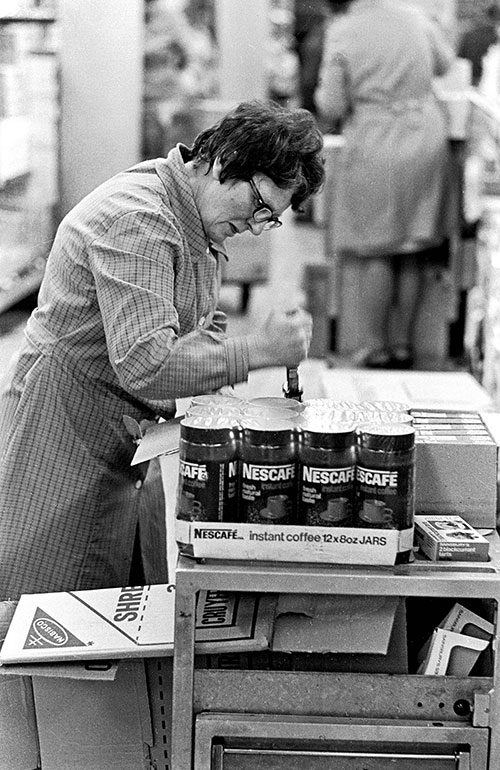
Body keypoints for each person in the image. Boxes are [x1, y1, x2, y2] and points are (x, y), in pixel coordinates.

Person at [0, 100, 325, 600]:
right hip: (63, 432)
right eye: (260, 207)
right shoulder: (138, 221)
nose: (259, 226)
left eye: (272, 219)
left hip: (128, 438)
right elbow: (146, 363)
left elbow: (191, 330)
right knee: (42, 618)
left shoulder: (195, 219)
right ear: (225, 160)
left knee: (109, 609)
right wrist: (257, 350)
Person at [314, 0, 454, 368]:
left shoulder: (344, 30)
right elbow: (445, 63)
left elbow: (331, 103)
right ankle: (404, 345)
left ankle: (375, 346)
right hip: (425, 134)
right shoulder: (414, 15)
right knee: (413, 244)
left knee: (376, 246)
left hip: (375, 139)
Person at [458, 3, 500, 87]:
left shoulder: (469, 34)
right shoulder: (495, 38)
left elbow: (460, 60)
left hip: (469, 83)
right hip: (488, 86)